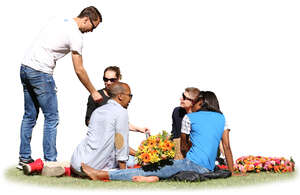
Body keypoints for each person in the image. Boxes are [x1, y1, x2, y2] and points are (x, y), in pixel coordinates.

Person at [80, 90, 236, 182]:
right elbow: (227, 148)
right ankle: (153, 178)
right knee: (164, 171)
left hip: (191, 164)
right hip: (207, 168)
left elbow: (183, 146)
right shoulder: (222, 118)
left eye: (195, 101)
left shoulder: (190, 118)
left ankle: (101, 174)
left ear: (201, 103)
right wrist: (231, 171)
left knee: (147, 168)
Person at [18, 6, 103, 169]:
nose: (91, 31)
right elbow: (79, 69)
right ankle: (50, 161)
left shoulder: (59, 19)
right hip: (41, 72)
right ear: (86, 19)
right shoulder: (76, 35)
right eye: (93, 27)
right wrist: (93, 91)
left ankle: (24, 158)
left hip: (25, 67)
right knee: (51, 117)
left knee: (29, 115)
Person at [70, 82, 134, 177]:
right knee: (132, 162)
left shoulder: (98, 111)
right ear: (120, 96)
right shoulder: (121, 112)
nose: (130, 99)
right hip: (93, 166)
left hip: (76, 162)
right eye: (130, 95)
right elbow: (121, 143)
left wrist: (138, 153)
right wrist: (123, 173)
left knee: (131, 158)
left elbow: (108, 140)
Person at [85, 66, 149, 134]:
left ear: (118, 79)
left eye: (112, 80)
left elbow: (121, 122)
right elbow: (88, 122)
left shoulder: (121, 98)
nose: (108, 82)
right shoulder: (96, 96)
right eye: (105, 79)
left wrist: (139, 129)